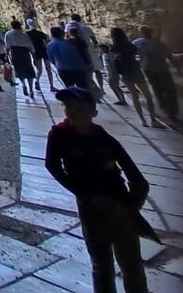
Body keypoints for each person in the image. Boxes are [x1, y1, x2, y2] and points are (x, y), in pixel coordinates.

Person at [45, 86, 156, 293]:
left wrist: (129, 206)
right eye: (68, 106)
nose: (72, 112)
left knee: (131, 265)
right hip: (90, 209)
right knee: (102, 265)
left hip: (118, 205)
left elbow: (138, 180)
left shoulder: (104, 140)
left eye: (79, 107)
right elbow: (52, 165)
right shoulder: (59, 134)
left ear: (92, 112)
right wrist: (83, 194)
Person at [111, 27, 165, 129]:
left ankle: (142, 120)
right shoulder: (130, 45)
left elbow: (115, 63)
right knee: (147, 96)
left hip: (125, 74)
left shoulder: (114, 48)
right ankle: (153, 120)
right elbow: (138, 56)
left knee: (134, 96)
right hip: (136, 71)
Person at [134, 25, 180, 125]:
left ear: (142, 33)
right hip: (161, 69)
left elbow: (135, 56)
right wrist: (176, 66)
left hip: (150, 70)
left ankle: (165, 108)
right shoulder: (158, 43)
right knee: (169, 90)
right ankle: (172, 112)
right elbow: (169, 55)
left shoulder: (139, 43)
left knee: (158, 89)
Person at [66, 13, 105, 95]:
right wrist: (96, 49)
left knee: (85, 71)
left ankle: (91, 88)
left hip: (78, 51)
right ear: (80, 19)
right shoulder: (86, 27)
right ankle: (101, 88)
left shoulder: (68, 27)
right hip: (90, 49)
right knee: (97, 70)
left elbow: (66, 38)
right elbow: (94, 40)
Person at [4, 19, 38, 98]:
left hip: (15, 54)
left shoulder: (8, 34)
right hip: (25, 54)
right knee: (29, 71)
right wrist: (34, 58)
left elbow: (7, 46)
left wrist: (6, 56)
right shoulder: (24, 35)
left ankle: (23, 85)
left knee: (19, 71)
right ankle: (31, 89)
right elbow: (31, 47)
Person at [26, 18, 55, 91]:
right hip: (44, 51)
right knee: (48, 69)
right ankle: (51, 86)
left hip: (36, 52)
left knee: (39, 70)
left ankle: (37, 81)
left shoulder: (27, 34)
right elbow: (46, 42)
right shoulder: (40, 33)